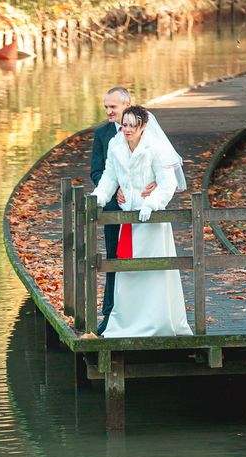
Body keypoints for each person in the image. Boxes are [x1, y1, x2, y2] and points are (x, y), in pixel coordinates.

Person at [90, 105, 192, 337]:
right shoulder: (116, 147)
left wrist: (151, 203)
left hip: (151, 219)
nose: (126, 129)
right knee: (129, 272)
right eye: (124, 125)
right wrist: (99, 197)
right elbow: (109, 177)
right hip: (128, 219)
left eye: (131, 126)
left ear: (143, 126)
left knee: (155, 272)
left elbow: (168, 183)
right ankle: (128, 323)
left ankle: (159, 322)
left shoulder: (155, 148)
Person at [90, 87, 156, 335]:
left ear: (127, 105)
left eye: (113, 107)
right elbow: (98, 172)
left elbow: (159, 166)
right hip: (113, 208)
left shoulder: (147, 133)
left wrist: (155, 186)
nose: (108, 111)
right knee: (115, 258)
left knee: (143, 257)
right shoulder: (102, 134)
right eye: (106, 107)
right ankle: (110, 313)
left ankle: (143, 312)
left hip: (143, 207)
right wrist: (116, 189)